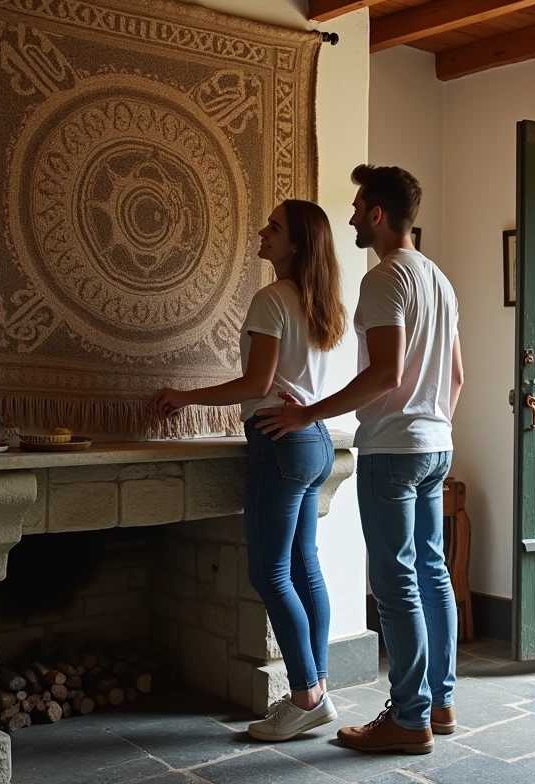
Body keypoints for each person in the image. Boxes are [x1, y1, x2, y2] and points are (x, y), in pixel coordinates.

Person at [256, 165, 463, 755]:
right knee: (431, 573)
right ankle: (439, 702)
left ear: (377, 214)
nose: (349, 217)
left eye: (356, 207)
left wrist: (308, 413)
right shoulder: (439, 281)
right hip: (436, 445)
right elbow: (456, 375)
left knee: (395, 583)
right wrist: (435, 422)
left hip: (394, 450)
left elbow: (385, 373)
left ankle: (408, 717)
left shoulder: (383, 279)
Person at [152, 200, 346, 742]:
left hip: (281, 442)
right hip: (313, 441)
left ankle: (307, 695)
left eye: (274, 228)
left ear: (297, 244)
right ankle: (318, 692)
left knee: (269, 572)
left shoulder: (271, 299)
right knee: (304, 566)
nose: (262, 232)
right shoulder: (316, 301)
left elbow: (257, 386)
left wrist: (185, 397)